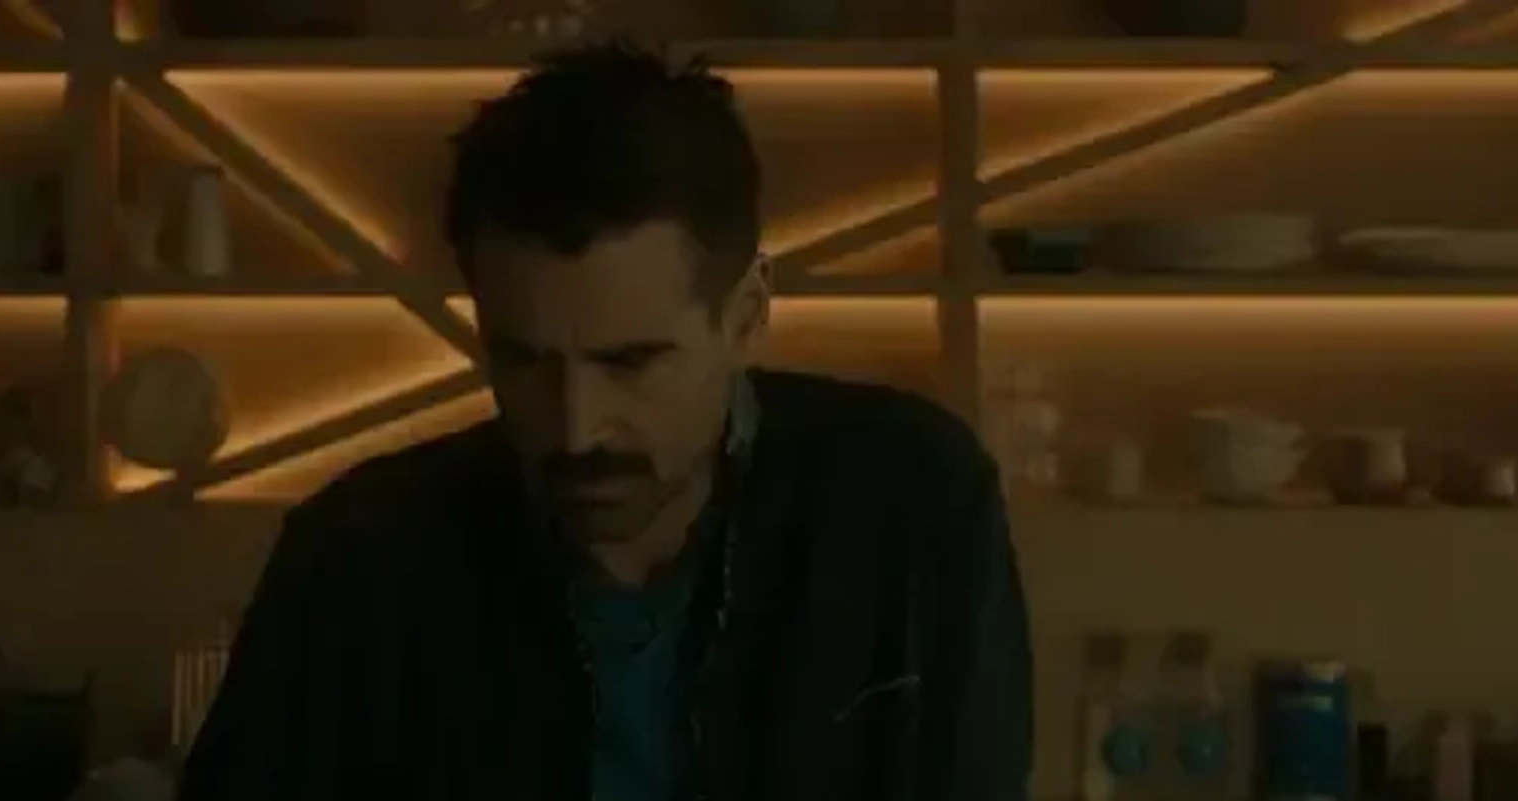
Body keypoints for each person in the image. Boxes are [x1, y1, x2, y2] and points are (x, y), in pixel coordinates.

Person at [178, 39, 1031, 801]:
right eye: (524, 360)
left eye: (629, 363)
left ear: (745, 316)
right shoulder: (356, 556)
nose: (576, 429)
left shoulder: (912, 504)